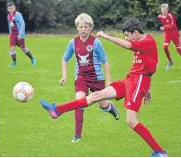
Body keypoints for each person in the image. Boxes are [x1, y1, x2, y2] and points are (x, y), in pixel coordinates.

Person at [40, 18, 167, 156]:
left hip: (138, 82)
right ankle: (56, 110)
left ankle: (160, 152)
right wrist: (148, 89)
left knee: (131, 120)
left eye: (127, 35)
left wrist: (106, 36)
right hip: (130, 80)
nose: (126, 38)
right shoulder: (143, 43)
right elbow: (151, 64)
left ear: (136, 32)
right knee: (95, 96)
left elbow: (128, 47)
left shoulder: (147, 41)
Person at [59, 13, 119, 142]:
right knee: (79, 103)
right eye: (81, 27)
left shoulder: (96, 42)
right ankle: (77, 135)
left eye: (86, 26)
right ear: (77, 28)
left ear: (90, 28)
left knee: (102, 105)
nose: (83, 29)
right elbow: (64, 59)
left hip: (97, 78)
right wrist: (65, 75)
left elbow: (105, 61)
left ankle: (110, 107)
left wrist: (108, 80)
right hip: (81, 78)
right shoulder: (73, 43)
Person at [7, 2, 36, 67]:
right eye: (9, 8)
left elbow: (23, 24)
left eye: (12, 8)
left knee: (23, 48)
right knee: (12, 48)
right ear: (7, 9)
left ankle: (32, 58)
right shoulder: (8, 15)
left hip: (19, 33)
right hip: (13, 34)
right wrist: (10, 33)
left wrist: (20, 34)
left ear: (14, 8)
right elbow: (9, 24)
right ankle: (14, 63)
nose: (11, 9)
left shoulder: (18, 14)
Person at [158, 3, 181, 70]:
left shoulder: (170, 15)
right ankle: (170, 62)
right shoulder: (159, 17)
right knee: (165, 48)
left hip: (174, 34)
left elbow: (173, 25)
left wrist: (164, 27)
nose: (163, 11)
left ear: (167, 10)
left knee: (179, 50)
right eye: (162, 10)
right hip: (167, 35)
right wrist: (165, 28)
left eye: (164, 10)